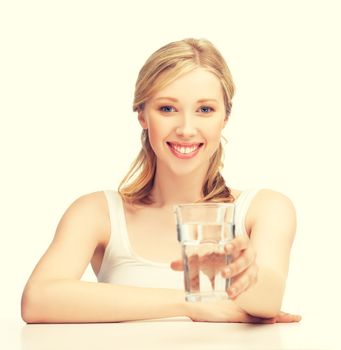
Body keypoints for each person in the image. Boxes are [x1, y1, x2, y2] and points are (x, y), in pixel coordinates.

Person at [21, 38, 301, 324]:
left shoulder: (264, 208)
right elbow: (38, 300)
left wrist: (244, 274)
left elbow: (268, 302)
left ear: (225, 118)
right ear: (142, 114)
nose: (186, 129)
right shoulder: (97, 213)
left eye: (205, 110)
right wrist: (190, 304)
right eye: (167, 109)